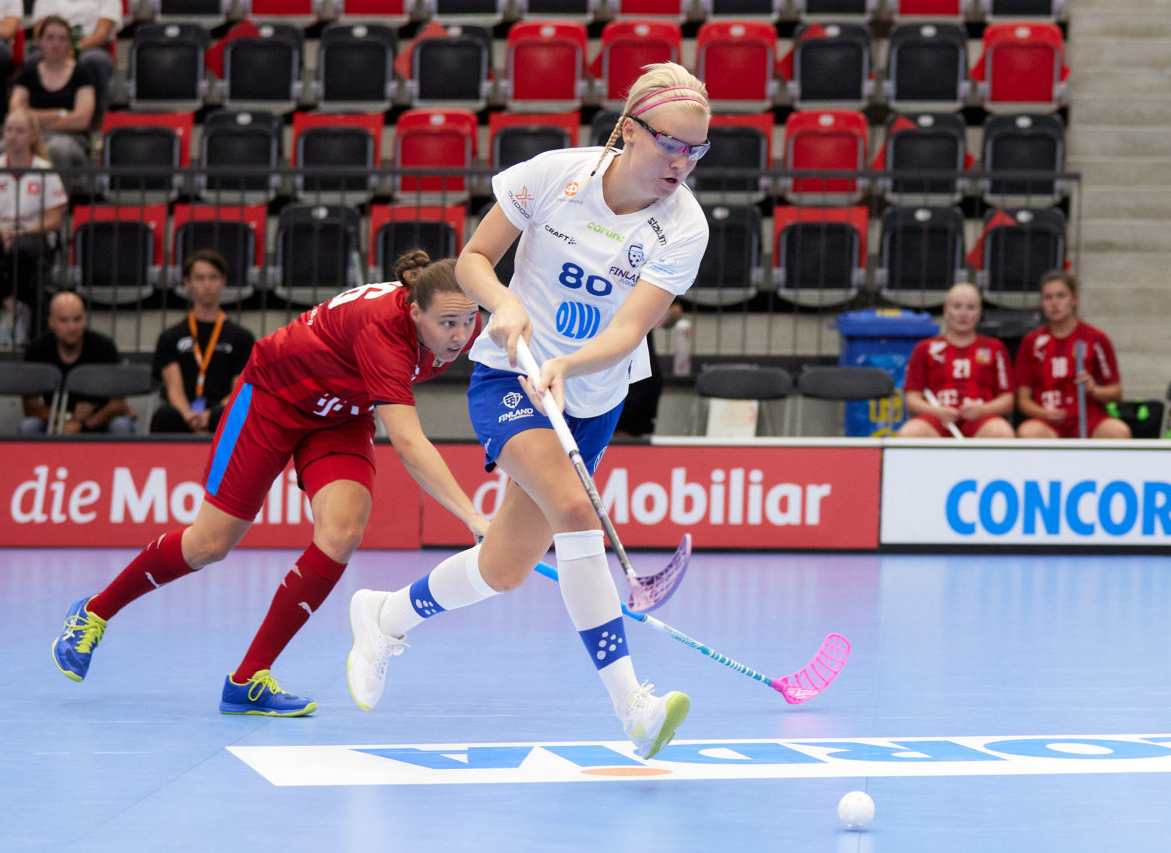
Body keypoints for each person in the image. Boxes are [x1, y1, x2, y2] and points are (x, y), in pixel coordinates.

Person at [347, 62, 711, 760]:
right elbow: (476, 258)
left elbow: (629, 331)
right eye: (671, 144)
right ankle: (633, 705)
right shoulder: (553, 177)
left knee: (506, 566)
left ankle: (386, 614)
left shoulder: (682, 227)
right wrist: (505, 305)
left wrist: (571, 365)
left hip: (592, 394)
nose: (682, 163)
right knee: (577, 513)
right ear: (630, 130)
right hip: (510, 377)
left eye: (696, 151)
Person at [51, 250, 488, 717]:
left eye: (469, 319)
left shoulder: (463, 326)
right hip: (273, 397)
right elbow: (408, 442)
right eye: (448, 324)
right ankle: (93, 611)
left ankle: (247, 680)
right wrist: (473, 516)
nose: (460, 335)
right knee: (209, 544)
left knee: (342, 533)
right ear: (415, 309)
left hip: (339, 416)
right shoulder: (383, 330)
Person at [0, 108, 68, 343]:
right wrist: (1, 232)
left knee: (22, 250)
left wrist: (22, 232)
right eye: (9, 130)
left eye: (20, 131)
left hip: (33, 234)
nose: (13, 136)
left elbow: (54, 220)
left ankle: (20, 312)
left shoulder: (45, 170)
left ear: (32, 136)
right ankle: (10, 302)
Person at [1015, 270, 1131, 439]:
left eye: (1061, 296)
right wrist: (1043, 413)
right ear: (1042, 302)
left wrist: (1094, 390)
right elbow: (1023, 400)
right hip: (1047, 420)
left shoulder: (1095, 338)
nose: (1055, 303)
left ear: (1074, 299)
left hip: (1088, 417)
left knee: (1117, 431)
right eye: (1048, 297)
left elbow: (1116, 392)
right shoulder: (1031, 342)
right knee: (1028, 432)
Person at [150, 249, 255, 434]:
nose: (207, 285)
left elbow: (239, 389)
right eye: (200, 278)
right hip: (184, 416)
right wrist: (189, 416)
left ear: (223, 281)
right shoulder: (171, 337)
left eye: (213, 277)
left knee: (225, 415)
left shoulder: (241, 338)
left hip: (220, 415)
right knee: (165, 416)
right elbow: (174, 388)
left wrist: (210, 415)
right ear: (187, 282)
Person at [897, 282, 1015, 439]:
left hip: (981, 420)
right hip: (937, 420)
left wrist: (982, 410)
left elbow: (1008, 400)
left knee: (1002, 432)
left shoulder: (994, 347)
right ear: (946, 310)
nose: (963, 314)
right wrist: (937, 412)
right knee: (909, 433)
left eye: (970, 307)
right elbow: (911, 399)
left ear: (979, 312)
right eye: (957, 306)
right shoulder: (925, 348)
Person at [21, 290, 135, 434]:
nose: (72, 327)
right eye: (63, 320)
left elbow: (118, 405)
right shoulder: (37, 350)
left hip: (99, 416)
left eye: (77, 319)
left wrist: (85, 425)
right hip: (56, 417)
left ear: (85, 320)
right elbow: (30, 406)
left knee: (120, 425)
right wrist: (68, 418)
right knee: (29, 426)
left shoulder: (104, 347)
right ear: (51, 322)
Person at [8, 15, 94, 172]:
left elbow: (82, 119)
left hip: (72, 138)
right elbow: (16, 111)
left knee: (57, 149)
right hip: (31, 136)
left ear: (70, 43)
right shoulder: (28, 71)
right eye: (50, 38)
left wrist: (34, 118)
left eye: (62, 39)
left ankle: (58, 197)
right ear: (40, 41)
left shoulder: (82, 72)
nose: (56, 44)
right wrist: (62, 114)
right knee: (4, 147)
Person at [28, 0, 120, 124]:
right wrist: (59, 46)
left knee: (94, 61)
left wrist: (72, 49)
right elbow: (40, 30)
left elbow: (101, 34)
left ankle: (96, 122)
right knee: (32, 60)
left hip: (92, 46)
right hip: (53, 46)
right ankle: (32, 120)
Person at [613, 300, 683, 439]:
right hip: (591, 364)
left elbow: (676, 309)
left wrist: (664, 314)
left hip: (636, 370)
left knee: (626, 441)